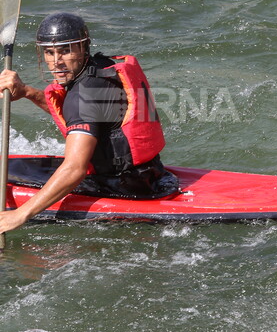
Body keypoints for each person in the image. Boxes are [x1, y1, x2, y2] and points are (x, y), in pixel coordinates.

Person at [0, 12, 178, 234]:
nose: (56, 62)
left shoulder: (83, 95)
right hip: (152, 176)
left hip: (120, 187)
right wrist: (27, 92)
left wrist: (19, 214)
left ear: (84, 47)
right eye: (49, 52)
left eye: (66, 50)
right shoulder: (102, 68)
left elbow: (75, 169)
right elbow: (88, 116)